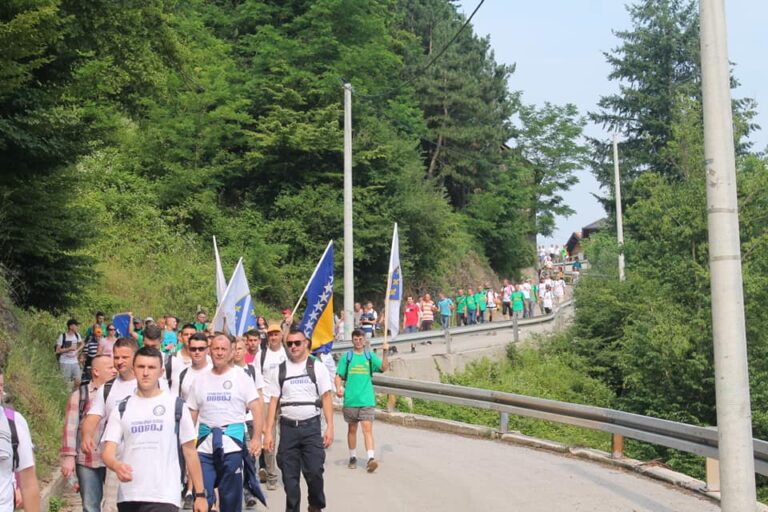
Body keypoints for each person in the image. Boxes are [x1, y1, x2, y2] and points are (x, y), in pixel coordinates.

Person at [102, 346, 207, 512]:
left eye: (151, 368)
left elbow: (190, 452)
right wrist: (116, 465)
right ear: (134, 369)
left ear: (161, 372)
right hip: (129, 495)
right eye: (141, 367)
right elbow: (108, 451)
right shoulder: (122, 408)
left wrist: (200, 494)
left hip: (164, 496)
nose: (145, 372)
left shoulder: (176, 405)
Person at [187, 333, 264, 512]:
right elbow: (192, 412)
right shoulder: (200, 380)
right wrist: (187, 444)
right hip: (205, 447)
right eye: (216, 349)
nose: (219, 353)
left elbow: (256, 408)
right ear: (209, 351)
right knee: (203, 497)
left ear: (231, 353)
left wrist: (256, 438)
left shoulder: (242, 377)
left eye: (223, 349)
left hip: (232, 446)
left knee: (230, 500)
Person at [263, 328, 333, 512]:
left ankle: (315, 505)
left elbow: (326, 397)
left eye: (297, 343)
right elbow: (273, 402)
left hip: (311, 428)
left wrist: (330, 427)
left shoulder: (316, 367)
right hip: (288, 430)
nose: (293, 346)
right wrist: (268, 432)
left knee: (315, 472)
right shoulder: (280, 370)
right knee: (290, 480)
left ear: (306, 344)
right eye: (290, 343)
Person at [80, 337, 139, 512]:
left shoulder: (153, 385)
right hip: (115, 462)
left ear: (136, 357)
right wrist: (86, 435)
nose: (119, 362)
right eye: (116, 357)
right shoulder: (107, 389)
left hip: (146, 460)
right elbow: (92, 417)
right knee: (111, 507)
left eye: (124, 357)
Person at [60, 355, 117, 512]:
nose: (115, 370)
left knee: (114, 506)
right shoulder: (80, 395)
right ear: (96, 371)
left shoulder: (119, 393)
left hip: (114, 460)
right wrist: (69, 457)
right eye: (110, 367)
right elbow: (70, 428)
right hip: (88, 460)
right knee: (90, 506)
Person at [335, 329, 388, 473]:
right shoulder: (347, 357)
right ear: (352, 340)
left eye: (360, 339)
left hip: (367, 400)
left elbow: (383, 367)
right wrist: (338, 388)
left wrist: (385, 352)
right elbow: (339, 375)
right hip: (351, 400)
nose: (358, 342)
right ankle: (352, 456)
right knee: (352, 429)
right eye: (355, 339)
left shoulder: (369, 356)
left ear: (365, 340)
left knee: (367, 429)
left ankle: (371, 458)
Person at [257, 324, 287, 491]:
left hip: (287, 399)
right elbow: (257, 381)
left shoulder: (288, 353)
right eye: (271, 335)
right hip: (268, 400)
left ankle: (286, 467)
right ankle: (271, 475)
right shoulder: (261, 355)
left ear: (281, 336)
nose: (273, 337)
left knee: (287, 438)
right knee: (269, 437)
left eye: (276, 334)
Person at [57, 318, 84, 386]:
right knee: (65, 382)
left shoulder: (77, 335)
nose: (77, 327)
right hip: (65, 362)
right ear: (71, 326)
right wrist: (69, 349)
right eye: (76, 325)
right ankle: (66, 395)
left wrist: (77, 350)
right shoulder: (62, 336)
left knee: (78, 380)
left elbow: (82, 344)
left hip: (75, 362)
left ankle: (74, 394)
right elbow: (58, 350)